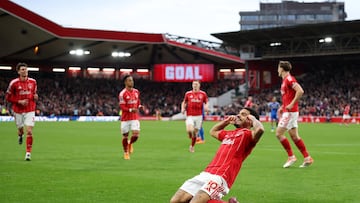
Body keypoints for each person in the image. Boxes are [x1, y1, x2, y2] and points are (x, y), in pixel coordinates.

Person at [170, 107, 265, 203]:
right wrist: (226, 122)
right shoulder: (228, 134)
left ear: (250, 120)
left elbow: (260, 129)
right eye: (239, 113)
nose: (238, 115)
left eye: (243, 114)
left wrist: (253, 119)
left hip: (221, 177)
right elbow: (213, 131)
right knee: (176, 200)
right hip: (206, 173)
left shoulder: (249, 135)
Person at [276, 61, 313, 168]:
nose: (277, 70)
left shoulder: (289, 79)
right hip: (289, 111)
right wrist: (283, 107)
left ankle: (291, 156)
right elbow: (288, 96)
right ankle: (307, 158)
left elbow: (300, 91)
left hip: (290, 112)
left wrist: (291, 104)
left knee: (279, 133)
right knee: (294, 136)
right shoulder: (284, 81)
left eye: (278, 68)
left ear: (282, 69)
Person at [5, 62, 38, 161]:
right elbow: (7, 97)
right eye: (22, 69)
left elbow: (34, 95)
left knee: (29, 131)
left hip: (30, 109)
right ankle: (20, 135)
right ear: (19, 71)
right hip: (18, 110)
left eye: (26, 69)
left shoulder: (33, 82)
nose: (25, 71)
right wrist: (19, 101)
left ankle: (28, 153)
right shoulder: (14, 83)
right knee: (20, 129)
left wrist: (35, 97)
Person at [118, 75, 143, 160]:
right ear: (125, 82)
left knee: (136, 135)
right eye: (129, 80)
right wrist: (130, 110)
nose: (132, 82)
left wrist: (139, 106)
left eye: (132, 80)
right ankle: (126, 152)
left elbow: (138, 100)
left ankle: (130, 143)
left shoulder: (136, 91)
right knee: (125, 135)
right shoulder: (122, 94)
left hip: (134, 117)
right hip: (125, 118)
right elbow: (122, 106)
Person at [181, 80, 209, 153]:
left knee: (195, 133)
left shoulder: (203, 94)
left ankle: (192, 146)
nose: (195, 85)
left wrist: (206, 107)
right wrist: (183, 108)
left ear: (199, 85)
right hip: (190, 115)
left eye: (196, 84)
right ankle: (191, 135)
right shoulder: (188, 94)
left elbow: (206, 102)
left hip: (199, 116)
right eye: (193, 84)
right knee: (189, 130)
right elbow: (184, 102)